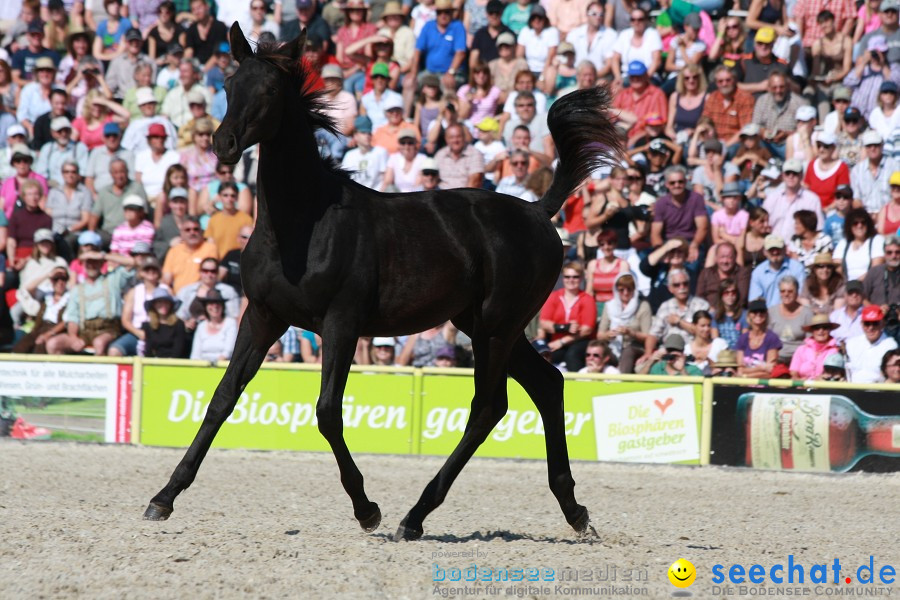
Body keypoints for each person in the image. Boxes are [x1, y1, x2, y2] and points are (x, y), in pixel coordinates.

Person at [45, 249, 136, 355]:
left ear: (101, 263)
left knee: (99, 343)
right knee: (53, 344)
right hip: (85, 331)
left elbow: (132, 263)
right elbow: (72, 317)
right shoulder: (77, 289)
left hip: (108, 329)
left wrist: (103, 256)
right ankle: (64, 371)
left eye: (95, 262)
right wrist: (73, 337)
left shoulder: (112, 279)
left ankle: (100, 371)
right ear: (84, 265)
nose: (91, 266)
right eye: (88, 262)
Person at [537, 262, 596, 372]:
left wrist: (562, 341)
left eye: (575, 277)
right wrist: (565, 327)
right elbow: (544, 322)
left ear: (581, 278)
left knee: (572, 355)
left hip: (579, 341)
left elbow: (586, 330)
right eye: (567, 277)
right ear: (563, 278)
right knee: (542, 356)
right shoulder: (554, 296)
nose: (571, 280)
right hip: (556, 342)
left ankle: (577, 385)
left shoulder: (587, 299)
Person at [108, 255, 171, 357]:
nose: (151, 271)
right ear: (141, 272)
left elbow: (172, 316)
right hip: (137, 333)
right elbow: (126, 320)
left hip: (160, 333)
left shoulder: (166, 290)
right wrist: (139, 333)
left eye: (154, 269)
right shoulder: (134, 292)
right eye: (147, 269)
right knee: (114, 350)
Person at [644, 267, 710, 363]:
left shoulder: (701, 305)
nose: (682, 287)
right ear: (670, 288)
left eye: (685, 284)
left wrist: (679, 321)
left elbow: (704, 332)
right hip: (667, 353)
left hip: (692, 353)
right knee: (641, 367)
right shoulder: (665, 307)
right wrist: (648, 354)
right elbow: (653, 334)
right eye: (677, 285)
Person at [650, 166, 709, 271]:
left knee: (693, 265)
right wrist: (661, 251)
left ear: (686, 182)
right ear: (667, 184)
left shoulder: (696, 199)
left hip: (690, 241)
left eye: (680, 182)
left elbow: (702, 227)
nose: (677, 185)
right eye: (672, 183)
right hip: (668, 243)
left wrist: (694, 245)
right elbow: (655, 233)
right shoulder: (661, 203)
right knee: (651, 263)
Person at [596, 272, 650, 374]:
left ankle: (622, 383)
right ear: (616, 290)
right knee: (596, 351)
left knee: (628, 351)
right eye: (621, 290)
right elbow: (600, 335)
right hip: (613, 346)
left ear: (635, 289)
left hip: (635, 347)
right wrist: (608, 335)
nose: (625, 293)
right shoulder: (609, 306)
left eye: (629, 289)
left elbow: (648, 336)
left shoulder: (643, 306)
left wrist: (630, 332)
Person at [12, 265, 70, 354]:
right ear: (51, 280)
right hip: (40, 326)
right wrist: (48, 274)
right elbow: (27, 288)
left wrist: (49, 333)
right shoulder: (47, 294)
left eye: (63, 278)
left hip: (56, 329)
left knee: (40, 345)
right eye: (56, 278)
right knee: (22, 345)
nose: (60, 282)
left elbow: (66, 321)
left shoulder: (70, 297)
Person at [761, 158, 823, 242]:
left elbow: (818, 229)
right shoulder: (772, 198)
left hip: (799, 249)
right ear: (783, 175)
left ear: (801, 175)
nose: (791, 176)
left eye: (795, 173)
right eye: (788, 173)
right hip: (773, 247)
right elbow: (762, 225)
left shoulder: (812, 200)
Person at [176, 257, 241, 327]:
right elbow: (178, 315)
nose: (209, 275)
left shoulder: (228, 291)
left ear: (218, 272)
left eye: (213, 271)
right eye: (205, 271)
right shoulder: (186, 290)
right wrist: (187, 323)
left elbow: (233, 316)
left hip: (219, 331)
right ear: (200, 271)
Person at [701, 66, 755, 148]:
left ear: (734, 80)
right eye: (720, 81)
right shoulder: (712, 97)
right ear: (716, 83)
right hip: (714, 142)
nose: (724, 84)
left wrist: (724, 147)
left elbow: (745, 130)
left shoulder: (745, 98)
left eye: (728, 80)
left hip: (735, 144)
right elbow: (705, 121)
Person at [161, 216, 218, 293]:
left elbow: (211, 275)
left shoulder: (210, 248)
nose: (192, 233)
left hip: (200, 296)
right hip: (178, 297)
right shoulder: (174, 251)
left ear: (201, 231)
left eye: (196, 229)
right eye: (188, 230)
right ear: (181, 233)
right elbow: (166, 279)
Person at [45, 160, 91, 254]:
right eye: (66, 172)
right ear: (62, 174)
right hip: (55, 230)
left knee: (67, 241)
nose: (70, 175)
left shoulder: (85, 192)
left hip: (74, 232)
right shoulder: (54, 192)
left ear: (78, 174)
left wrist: (69, 230)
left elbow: (85, 219)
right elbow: (47, 213)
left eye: (73, 172)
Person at [749, 234, 807, 306]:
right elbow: (755, 301)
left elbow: (802, 296)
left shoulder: (797, 268)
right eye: (771, 249)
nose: (775, 252)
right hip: (767, 315)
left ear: (785, 249)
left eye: (778, 249)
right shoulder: (758, 272)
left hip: (793, 313)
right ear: (764, 252)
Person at [846, 305, 899, 382]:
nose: (871, 328)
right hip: (851, 389)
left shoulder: (890, 345)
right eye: (867, 323)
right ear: (861, 324)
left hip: (878, 390)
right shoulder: (851, 343)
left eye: (875, 323)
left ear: (882, 324)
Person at [768, 275, 814, 362]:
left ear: (797, 293)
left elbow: (810, 342)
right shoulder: (771, 312)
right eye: (782, 291)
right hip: (776, 358)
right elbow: (767, 339)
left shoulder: (807, 313)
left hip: (799, 359)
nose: (786, 294)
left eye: (790, 291)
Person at [7, 179, 53, 268]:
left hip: (37, 256)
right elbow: (11, 241)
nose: (33, 197)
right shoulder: (16, 216)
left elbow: (45, 245)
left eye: (36, 194)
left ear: (40, 196)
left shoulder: (46, 219)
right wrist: (12, 259)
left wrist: (26, 260)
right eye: (30, 194)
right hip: (18, 255)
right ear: (24, 197)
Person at [33, 116, 89, 188]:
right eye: (59, 131)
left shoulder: (80, 148)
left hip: (74, 187)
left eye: (66, 130)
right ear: (53, 133)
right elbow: (41, 173)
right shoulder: (47, 149)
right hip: (51, 188)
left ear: (70, 131)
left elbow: (82, 173)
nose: (63, 134)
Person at [134, 122, 180, 207]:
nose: (159, 140)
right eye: (155, 137)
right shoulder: (141, 156)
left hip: (166, 199)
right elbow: (138, 181)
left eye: (162, 137)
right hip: (145, 200)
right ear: (149, 139)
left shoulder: (174, 156)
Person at [833, 208, 885, 281]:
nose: (859, 226)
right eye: (855, 223)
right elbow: (837, 267)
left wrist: (856, 283)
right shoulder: (843, 243)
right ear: (849, 226)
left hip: (869, 283)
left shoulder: (877, 240)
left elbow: (876, 268)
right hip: (846, 285)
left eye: (863, 222)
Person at [85, 121, 135, 196]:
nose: (111, 139)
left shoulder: (128, 154)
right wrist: (94, 195)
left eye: (114, 135)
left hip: (123, 195)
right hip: (99, 195)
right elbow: (89, 179)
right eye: (108, 135)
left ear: (120, 136)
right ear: (103, 137)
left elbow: (133, 179)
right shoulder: (96, 153)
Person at [854, 130, 897, 215]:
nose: (872, 148)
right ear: (865, 148)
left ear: (882, 146)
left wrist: (882, 216)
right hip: (866, 217)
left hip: (890, 215)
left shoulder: (895, 167)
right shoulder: (857, 170)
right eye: (869, 146)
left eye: (876, 145)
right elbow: (856, 200)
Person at [736, 299, 783, 377]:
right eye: (754, 311)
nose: (758, 314)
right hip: (744, 385)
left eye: (762, 311)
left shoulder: (772, 338)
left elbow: (771, 371)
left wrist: (747, 375)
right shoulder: (743, 338)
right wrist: (761, 368)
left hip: (764, 386)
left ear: (766, 314)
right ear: (749, 315)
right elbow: (740, 369)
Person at [696, 241, 750, 308]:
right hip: (709, 313)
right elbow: (699, 298)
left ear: (735, 257)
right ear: (716, 257)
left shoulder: (742, 273)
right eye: (722, 257)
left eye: (729, 257)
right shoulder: (706, 273)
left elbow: (742, 299)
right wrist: (709, 309)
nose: (725, 261)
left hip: (734, 313)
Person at [190, 289, 238, 362]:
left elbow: (228, 351)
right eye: (211, 303)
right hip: (202, 367)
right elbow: (195, 354)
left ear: (223, 306)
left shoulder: (230, 323)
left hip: (223, 367)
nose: (215, 306)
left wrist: (215, 365)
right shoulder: (201, 326)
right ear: (205, 307)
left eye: (218, 303)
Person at [342, 116, 388, 191]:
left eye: (369, 133)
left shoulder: (380, 152)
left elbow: (386, 180)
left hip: (377, 197)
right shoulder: (349, 155)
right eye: (363, 133)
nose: (367, 136)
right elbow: (345, 180)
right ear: (355, 135)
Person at [789, 313, 840, 379]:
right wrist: (800, 381)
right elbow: (793, 372)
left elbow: (835, 374)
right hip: (802, 386)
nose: (821, 331)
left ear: (829, 330)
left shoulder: (836, 351)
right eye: (817, 328)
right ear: (812, 331)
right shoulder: (801, 349)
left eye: (825, 328)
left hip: (825, 387)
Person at [434, 124, 485, 189]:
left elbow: (475, 182)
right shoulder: (440, 154)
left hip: (465, 195)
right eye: (451, 137)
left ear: (464, 137)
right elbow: (432, 178)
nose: (455, 140)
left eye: (458, 136)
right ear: (446, 139)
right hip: (441, 194)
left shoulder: (475, 154)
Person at [862, 234, 900, 309]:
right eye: (889, 252)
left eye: (897, 252)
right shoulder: (874, 272)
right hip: (876, 318)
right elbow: (862, 298)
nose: (894, 256)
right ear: (884, 254)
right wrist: (876, 311)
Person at [711, 278, 747, 350]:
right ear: (721, 295)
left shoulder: (744, 314)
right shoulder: (714, 315)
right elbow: (715, 339)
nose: (730, 295)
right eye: (726, 293)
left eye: (733, 292)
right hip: (721, 353)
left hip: (739, 352)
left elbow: (745, 339)